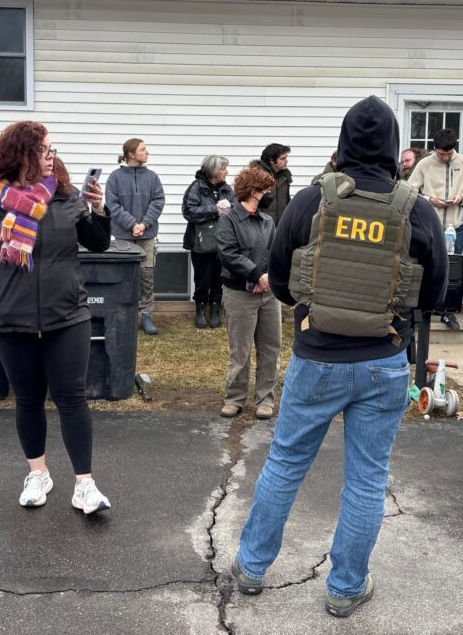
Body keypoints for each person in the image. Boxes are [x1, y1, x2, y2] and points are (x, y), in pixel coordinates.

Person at [231, 96, 447, 617]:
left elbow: (280, 280)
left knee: (285, 463)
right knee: (367, 479)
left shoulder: (310, 201)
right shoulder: (413, 208)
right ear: (395, 148)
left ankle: (252, 568)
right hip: (383, 360)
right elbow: (436, 293)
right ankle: (346, 587)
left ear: (345, 142)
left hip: (318, 357)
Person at [0, 121, 113, 514]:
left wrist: (99, 208)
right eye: (45, 149)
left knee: (72, 397)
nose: (52, 155)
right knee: (28, 398)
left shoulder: (63, 197)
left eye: (52, 149)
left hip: (68, 315)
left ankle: (85, 485)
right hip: (10, 320)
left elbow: (98, 242)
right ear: (23, 154)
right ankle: (38, 473)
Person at [216, 165, 281, 420]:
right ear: (254, 192)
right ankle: (234, 398)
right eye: (265, 190)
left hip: (268, 294)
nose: (268, 194)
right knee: (240, 350)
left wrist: (268, 279)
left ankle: (265, 400)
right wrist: (256, 275)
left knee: (270, 348)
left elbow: (275, 253)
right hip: (239, 295)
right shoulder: (228, 220)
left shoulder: (267, 221)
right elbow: (229, 254)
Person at [408, 128, 463, 330]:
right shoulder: (425, 164)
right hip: (430, 225)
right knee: (426, 267)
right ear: (435, 149)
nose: (444, 157)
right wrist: (430, 200)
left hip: (455, 225)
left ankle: (447, 312)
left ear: (454, 148)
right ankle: (424, 309)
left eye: (448, 154)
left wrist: (461, 198)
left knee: (452, 269)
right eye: (440, 154)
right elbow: (410, 191)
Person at [104, 138, 166, 336]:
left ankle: (146, 315)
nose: (147, 152)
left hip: (147, 235)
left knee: (146, 275)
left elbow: (158, 201)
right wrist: (132, 224)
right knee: (124, 276)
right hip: (124, 235)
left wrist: (144, 224)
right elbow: (112, 205)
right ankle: (124, 314)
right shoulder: (115, 178)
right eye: (143, 149)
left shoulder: (152, 177)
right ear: (131, 154)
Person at [182, 155, 236, 329]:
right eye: (223, 168)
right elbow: (189, 211)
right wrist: (215, 209)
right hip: (200, 242)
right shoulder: (196, 187)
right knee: (202, 278)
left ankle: (215, 309)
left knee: (218, 278)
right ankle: (200, 308)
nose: (226, 171)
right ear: (213, 170)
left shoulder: (227, 189)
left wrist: (230, 208)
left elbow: (235, 208)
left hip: (222, 241)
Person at [250, 143, 292, 225]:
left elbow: (287, 202)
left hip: (280, 227)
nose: (286, 161)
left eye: (286, 157)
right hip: (261, 227)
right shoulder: (256, 176)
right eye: (282, 158)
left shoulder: (285, 176)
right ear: (271, 160)